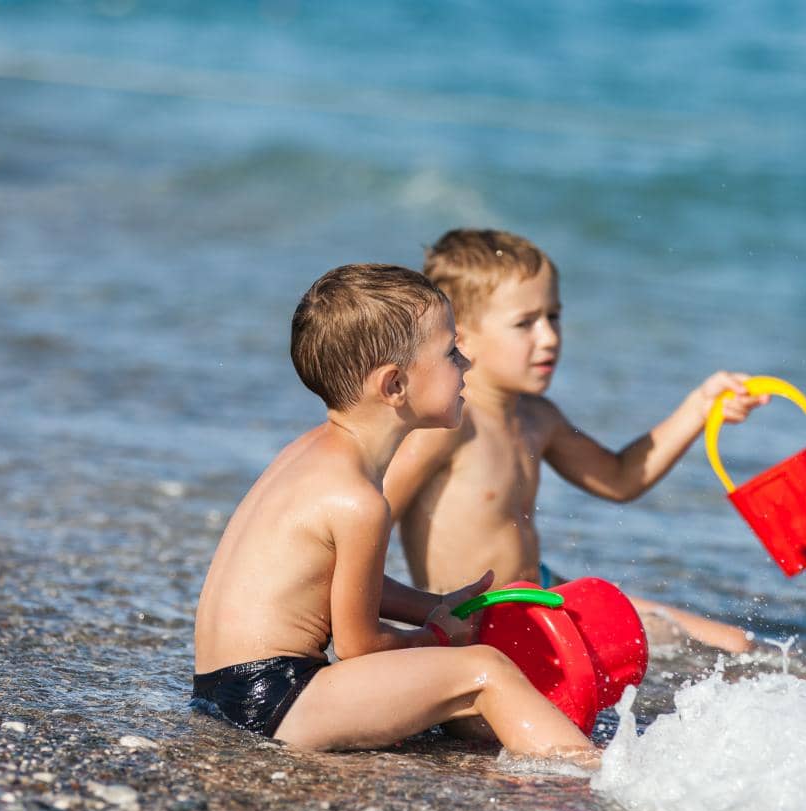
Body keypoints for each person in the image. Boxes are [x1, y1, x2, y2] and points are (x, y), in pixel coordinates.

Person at [192, 263, 598, 765]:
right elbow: (359, 645)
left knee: (462, 680)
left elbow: (332, 579)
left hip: (222, 690)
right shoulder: (358, 499)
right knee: (485, 671)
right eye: (451, 351)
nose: (467, 361)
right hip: (277, 700)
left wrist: (432, 605)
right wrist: (435, 640)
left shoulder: (311, 454)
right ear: (395, 385)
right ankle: (587, 774)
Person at [384, 229, 767, 654]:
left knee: (733, 643)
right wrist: (406, 627)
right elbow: (366, 525)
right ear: (461, 335)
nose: (549, 337)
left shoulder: (536, 417)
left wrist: (699, 407)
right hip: (480, 623)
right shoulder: (445, 429)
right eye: (525, 323)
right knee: (665, 646)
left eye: (554, 316)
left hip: (541, 592)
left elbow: (621, 479)